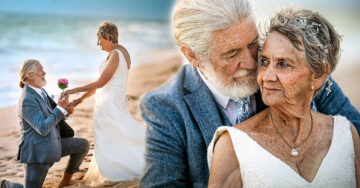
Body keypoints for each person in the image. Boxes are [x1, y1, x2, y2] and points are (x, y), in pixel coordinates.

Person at [139, 0, 360, 187]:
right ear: (193, 55)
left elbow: (353, 135)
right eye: (232, 53)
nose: (253, 62)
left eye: (253, 44)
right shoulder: (164, 108)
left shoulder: (297, 72)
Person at [208, 7, 360, 187]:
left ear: (318, 75)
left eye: (283, 64)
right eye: (264, 62)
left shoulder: (346, 135)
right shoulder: (232, 146)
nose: (266, 77)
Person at [64, 21, 145, 186]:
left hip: (110, 104)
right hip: (111, 101)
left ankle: (114, 172)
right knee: (117, 136)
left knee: (114, 136)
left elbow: (101, 82)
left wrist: (74, 90)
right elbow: (103, 84)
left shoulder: (116, 55)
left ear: (108, 37)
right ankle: (117, 169)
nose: (98, 43)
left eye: (99, 39)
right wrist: (79, 100)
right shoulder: (121, 52)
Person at [0, 59, 89, 188]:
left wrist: (65, 111)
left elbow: (53, 113)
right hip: (38, 153)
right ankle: (6, 185)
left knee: (83, 145)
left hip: (54, 143)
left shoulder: (40, 91)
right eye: (41, 70)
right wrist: (59, 109)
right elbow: (43, 128)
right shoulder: (27, 100)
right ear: (30, 75)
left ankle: (66, 180)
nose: (44, 72)